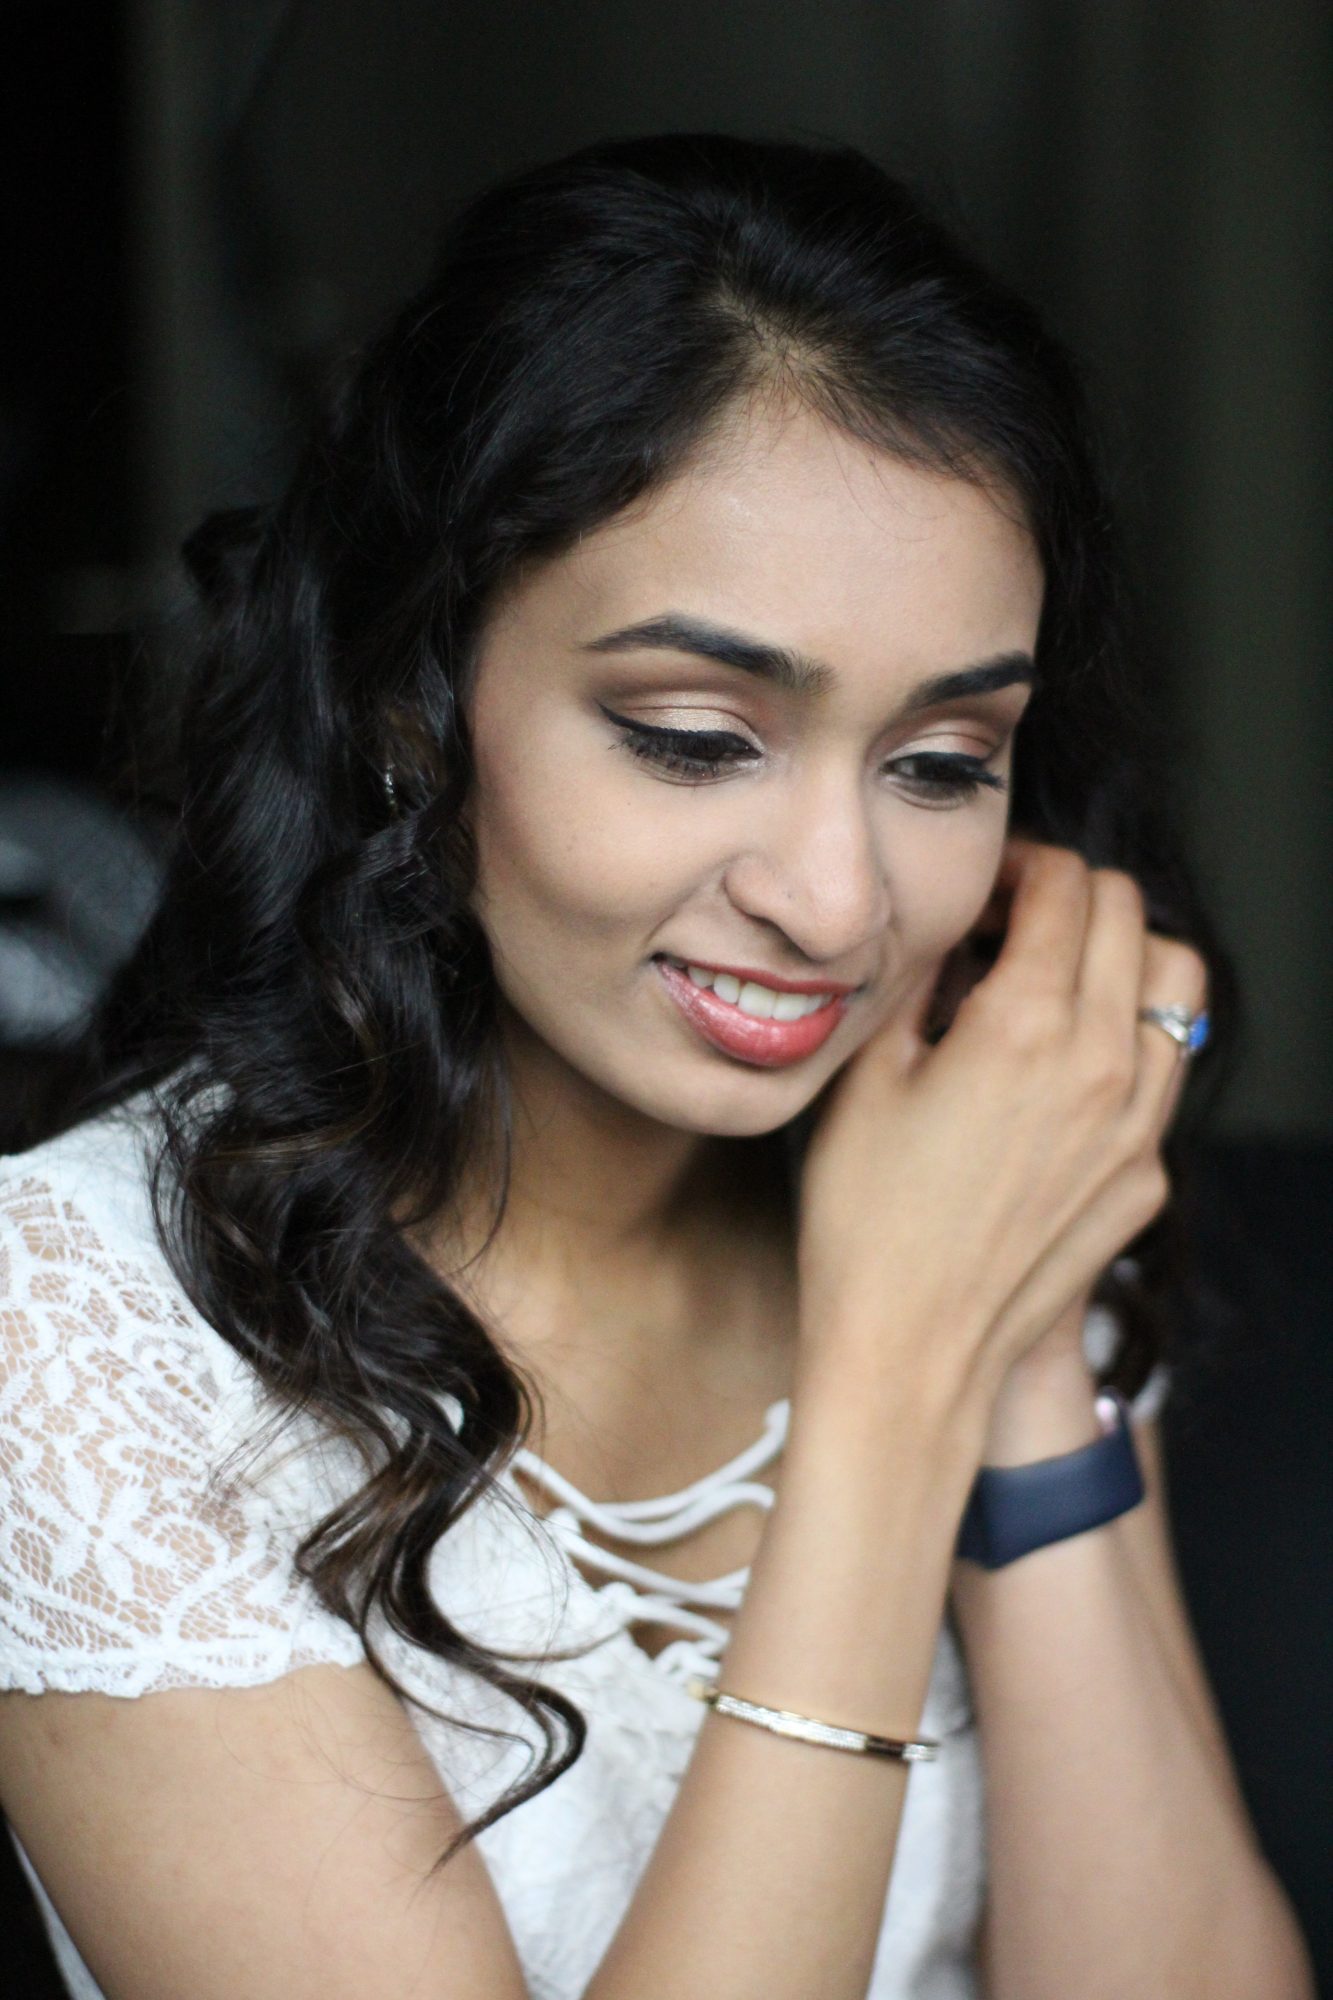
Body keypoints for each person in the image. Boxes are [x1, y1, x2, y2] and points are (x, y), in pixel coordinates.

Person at [0, 132, 1314, 2000]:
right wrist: (895, 1369)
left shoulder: (969, 1164)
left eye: (941, 763)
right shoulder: (77, 1334)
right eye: (695, 737)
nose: (836, 901)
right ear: (408, 708)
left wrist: (1019, 1340)